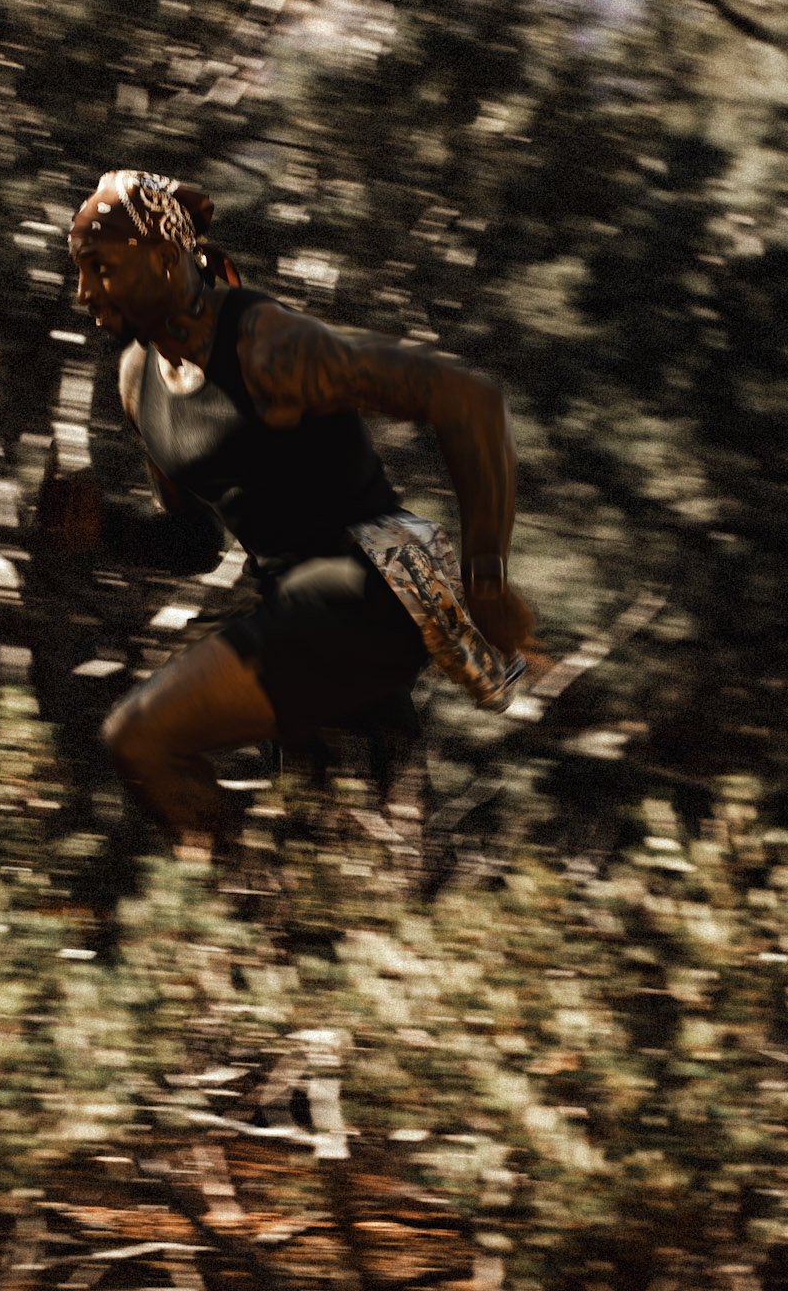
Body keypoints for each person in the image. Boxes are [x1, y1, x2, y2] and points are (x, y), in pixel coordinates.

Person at [49, 167, 535, 860]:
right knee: (340, 850)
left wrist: (486, 581)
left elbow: (467, 399)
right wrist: (107, 531)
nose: (83, 292)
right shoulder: (136, 381)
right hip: (293, 615)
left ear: (161, 259)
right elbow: (194, 542)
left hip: (371, 592)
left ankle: (225, 900)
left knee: (140, 739)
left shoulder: (264, 342)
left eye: (99, 267)